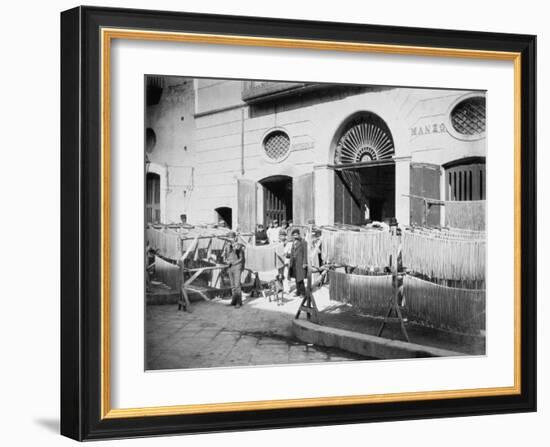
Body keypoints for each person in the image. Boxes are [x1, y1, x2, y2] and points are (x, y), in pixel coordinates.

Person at [222, 232, 245, 308]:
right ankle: (233, 301)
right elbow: (224, 257)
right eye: (228, 239)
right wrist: (226, 261)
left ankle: (239, 302)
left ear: (235, 238)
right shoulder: (226, 246)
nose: (229, 240)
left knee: (237, 285)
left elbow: (241, 258)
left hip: (237, 266)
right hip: (230, 266)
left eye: (231, 238)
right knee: (232, 286)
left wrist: (234, 262)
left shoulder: (238, 246)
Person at [289, 228, 308, 298]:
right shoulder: (293, 242)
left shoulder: (303, 242)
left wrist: (304, 263)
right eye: (293, 235)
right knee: (296, 277)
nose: (295, 236)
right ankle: (298, 291)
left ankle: (303, 293)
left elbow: (305, 253)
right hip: (294, 262)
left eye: (296, 235)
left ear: (299, 234)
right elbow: (292, 252)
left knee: (300, 278)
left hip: (300, 262)